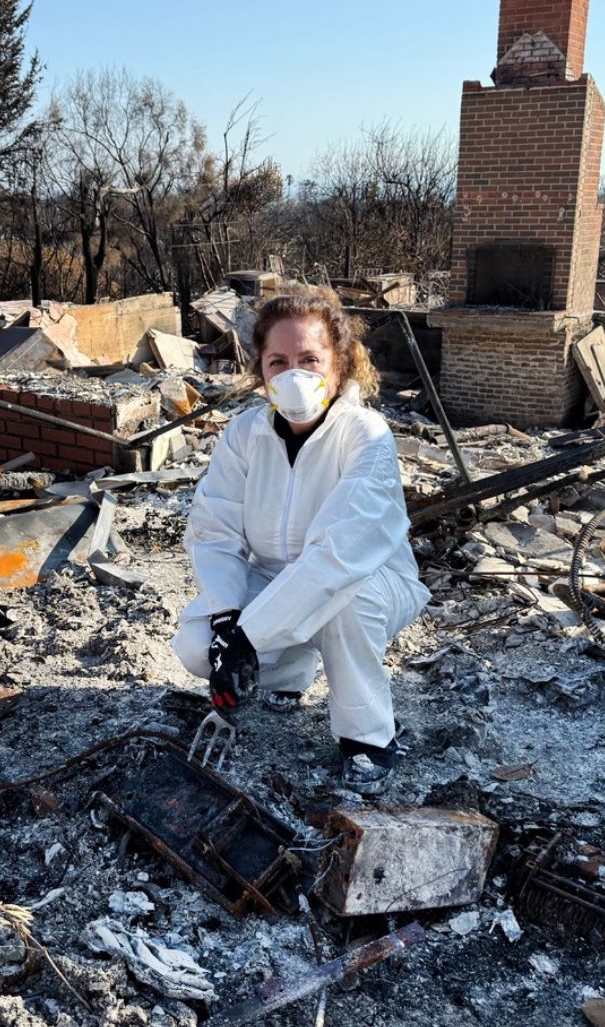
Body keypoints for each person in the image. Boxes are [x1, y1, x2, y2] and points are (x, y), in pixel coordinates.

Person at [171, 286, 430, 793]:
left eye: (310, 359)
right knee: (198, 646)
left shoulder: (367, 436)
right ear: (261, 373)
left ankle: (368, 736)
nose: (294, 374)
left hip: (369, 581)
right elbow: (214, 527)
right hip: (273, 574)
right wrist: (227, 619)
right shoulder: (244, 434)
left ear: (339, 367)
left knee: (341, 609)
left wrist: (249, 637)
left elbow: (339, 554)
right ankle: (287, 674)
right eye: (278, 361)